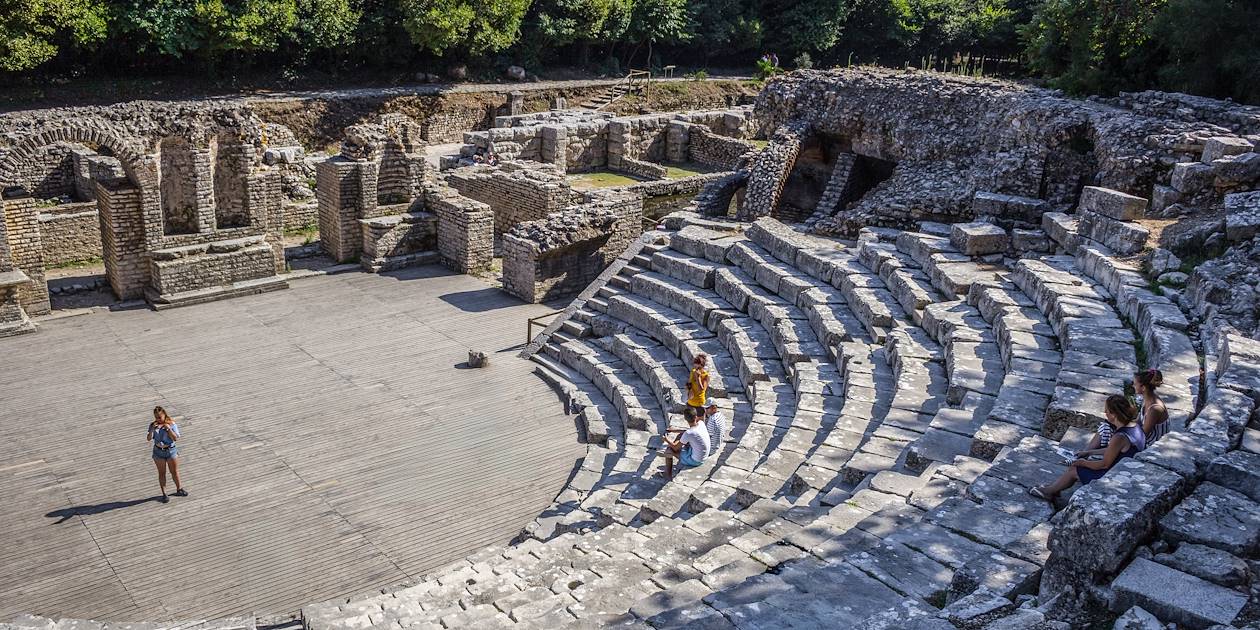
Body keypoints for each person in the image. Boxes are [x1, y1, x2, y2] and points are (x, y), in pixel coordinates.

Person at [1030, 395, 1145, 500]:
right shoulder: (1135, 426)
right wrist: (1089, 453)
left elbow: (1104, 464)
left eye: (1107, 411)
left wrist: (1083, 463)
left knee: (1074, 469)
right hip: (1125, 470)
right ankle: (1055, 488)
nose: (1105, 412)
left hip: (1114, 477)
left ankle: (1049, 492)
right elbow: (1115, 451)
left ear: (1114, 414)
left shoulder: (1119, 437)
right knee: (1079, 464)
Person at [147, 406, 187, 502]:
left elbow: (175, 438)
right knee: (162, 473)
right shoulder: (153, 425)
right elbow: (149, 438)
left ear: (164, 415)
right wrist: (152, 430)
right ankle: (164, 494)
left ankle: (179, 489)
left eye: (160, 417)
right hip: (158, 451)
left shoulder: (172, 424)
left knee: (174, 472)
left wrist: (168, 429)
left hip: (171, 451)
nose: (158, 419)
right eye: (156, 417)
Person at [661, 407, 711, 479]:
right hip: (704, 455)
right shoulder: (701, 423)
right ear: (696, 416)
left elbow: (675, 446)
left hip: (696, 461)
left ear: (685, 419)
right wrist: (674, 430)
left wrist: (666, 439)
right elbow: (687, 432)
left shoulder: (689, 433)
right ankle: (680, 451)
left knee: (669, 451)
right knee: (681, 437)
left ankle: (667, 474)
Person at [1135, 368, 1170, 443]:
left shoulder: (1154, 409)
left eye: (1135, 384)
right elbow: (1138, 422)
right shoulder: (1147, 399)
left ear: (1143, 387)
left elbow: (1143, 435)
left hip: (1152, 444)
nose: (1133, 386)